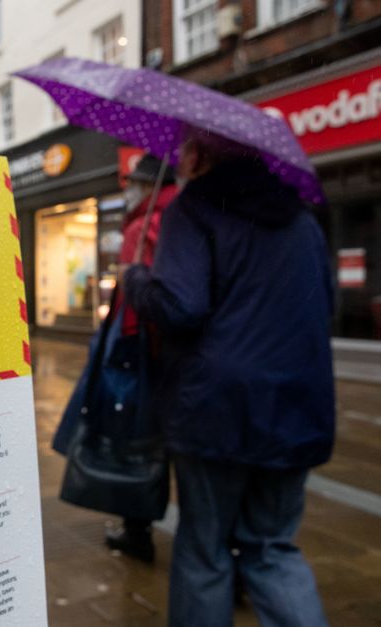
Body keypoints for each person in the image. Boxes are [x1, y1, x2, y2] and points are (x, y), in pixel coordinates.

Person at [123, 131, 335, 627]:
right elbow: (325, 306)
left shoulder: (193, 209)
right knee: (272, 549)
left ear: (199, 156)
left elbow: (181, 305)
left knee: (205, 550)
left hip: (216, 409)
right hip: (298, 406)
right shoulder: (303, 221)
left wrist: (136, 282)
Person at [104, 154, 177, 563]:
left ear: (149, 185)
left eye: (134, 181)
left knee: (135, 443)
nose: (128, 187)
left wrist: (122, 347)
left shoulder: (143, 223)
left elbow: (135, 302)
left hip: (140, 351)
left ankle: (137, 531)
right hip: (176, 353)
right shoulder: (184, 216)